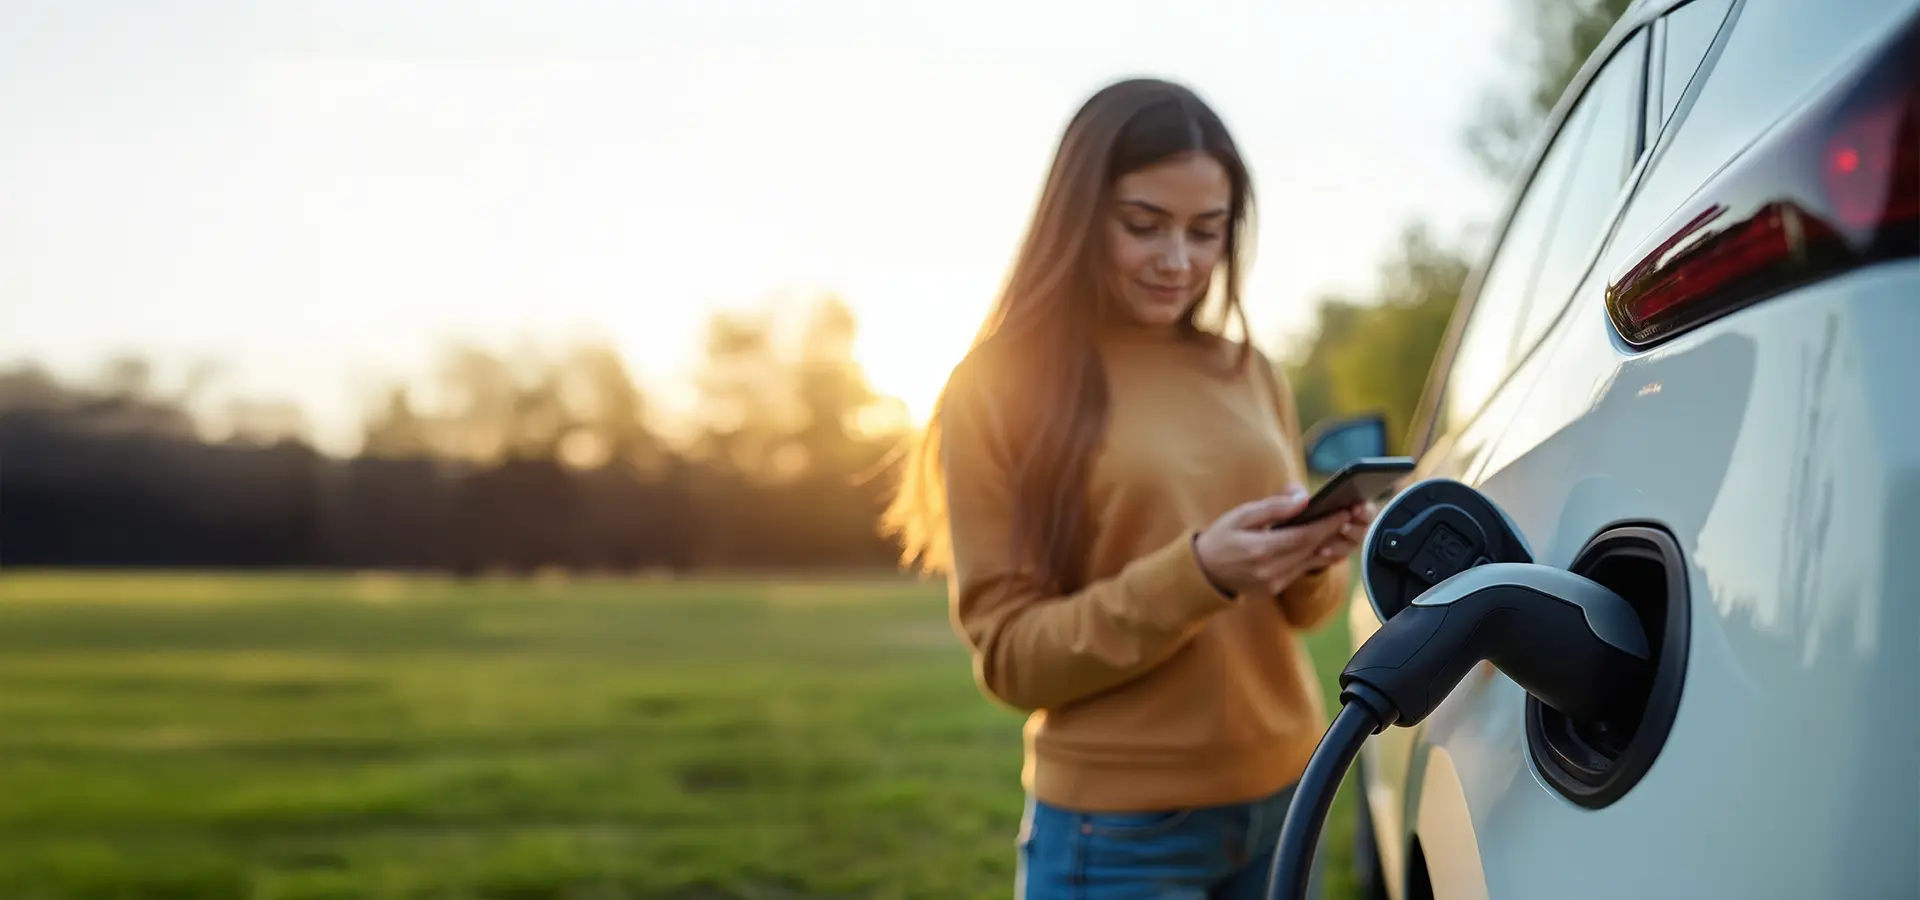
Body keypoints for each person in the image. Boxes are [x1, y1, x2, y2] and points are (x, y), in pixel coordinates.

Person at [880, 76, 1376, 898]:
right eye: (1143, 227)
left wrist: (1313, 554)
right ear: (1078, 215)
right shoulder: (997, 386)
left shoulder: (1247, 371)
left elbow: (1301, 614)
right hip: (1120, 836)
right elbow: (1011, 660)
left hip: (1286, 797)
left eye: (1206, 232)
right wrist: (1202, 573)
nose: (1177, 261)